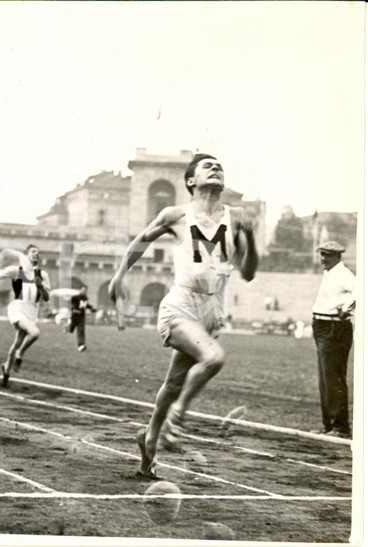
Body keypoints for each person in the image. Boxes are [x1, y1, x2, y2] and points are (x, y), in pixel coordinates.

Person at [108, 153, 258, 479]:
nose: (216, 167)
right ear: (191, 181)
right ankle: (177, 417)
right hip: (180, 305)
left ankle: (147, 440)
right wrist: (119, 276)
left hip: (211, 312)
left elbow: (247, 272)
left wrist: (251, 238)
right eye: (208, 166)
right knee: (213, 358)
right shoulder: (176, 214)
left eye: (220, 165)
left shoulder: (237, 217)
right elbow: (140, 241)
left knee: (174, 382)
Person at [0, 244, 51, 387]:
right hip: (18, 308)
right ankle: (19, 355)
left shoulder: (43, 275)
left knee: (17, 341)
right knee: (34, 333)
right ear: (26, 255)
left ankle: (6, 371)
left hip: (32, 311)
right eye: (33, 252)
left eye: (38, 253)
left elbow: (46, 298)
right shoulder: (17, 271)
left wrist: (40, 286)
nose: (36, 255)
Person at [310, 241, 356, 439]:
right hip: (321, 325)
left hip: (334, 327)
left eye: (328, 255)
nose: (323, 259)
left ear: (338, 256)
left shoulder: (343, 274)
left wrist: (346, 308)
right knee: (325, 378)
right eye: (322, 254)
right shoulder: (329, 274)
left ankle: (340, 427)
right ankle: (328, 425)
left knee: (333, 376)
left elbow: (361, 289)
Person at [68, 285, 96, 352]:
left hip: (81, 315)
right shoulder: (75, 297)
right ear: (80, 290)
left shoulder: (85, 298)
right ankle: (67, 329)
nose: (84, 291)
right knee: (71, 328)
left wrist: (91, 308)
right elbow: (72, 305)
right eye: (83, 289)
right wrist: (74, 309)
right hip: (75, 315)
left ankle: (81, 344)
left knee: (81, 329)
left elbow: (85, 305)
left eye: (85, 290)